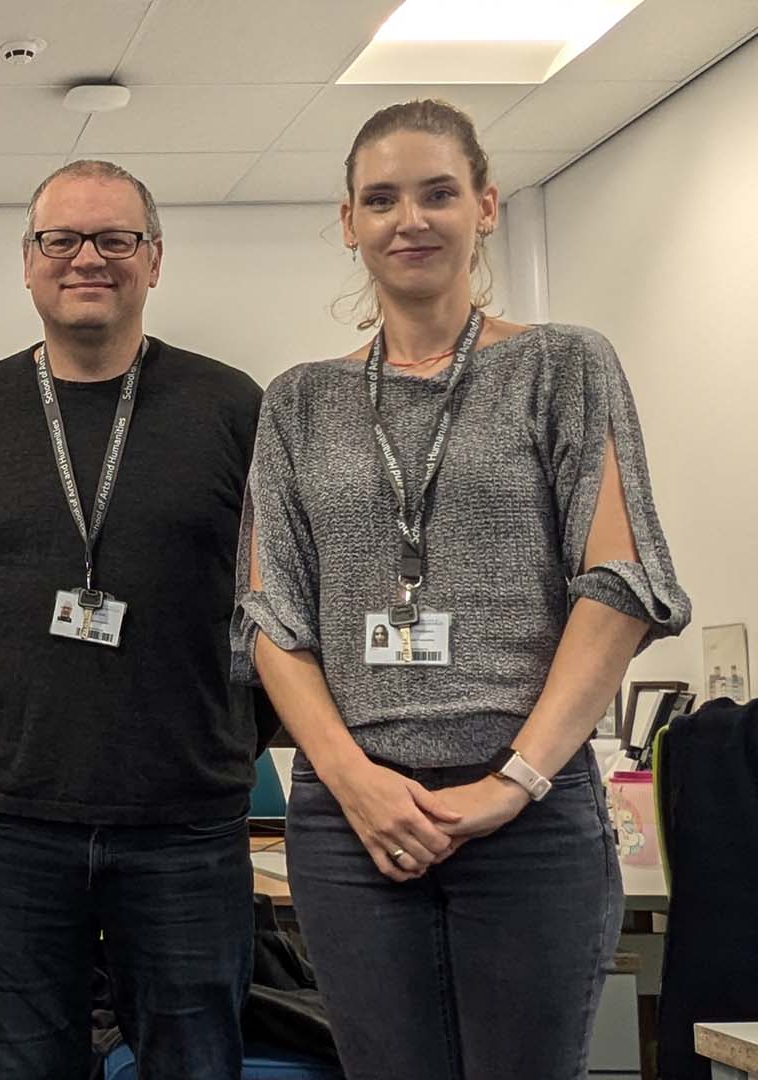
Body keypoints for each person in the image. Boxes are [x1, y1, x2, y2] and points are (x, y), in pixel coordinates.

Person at [235, 99, 690, 1080]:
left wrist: (511, 784)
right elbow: (275, 622)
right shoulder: (299, 403)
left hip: (527, 809)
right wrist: (355, 786)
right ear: (349, 221)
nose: (412, 219)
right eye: (383, 198)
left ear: (485, 205)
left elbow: (618, 583)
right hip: (353, 822)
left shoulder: (562, 367)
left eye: (439, 193)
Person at [0, 160, 267, 1078]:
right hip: (17, 818)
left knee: (196, 1062)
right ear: (29, 262)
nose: (88, 258)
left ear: (154, 260)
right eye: (62, 239)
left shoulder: (231, 406)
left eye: (116, 239)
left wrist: (234, 736)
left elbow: (277, 600)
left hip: (187, 820)